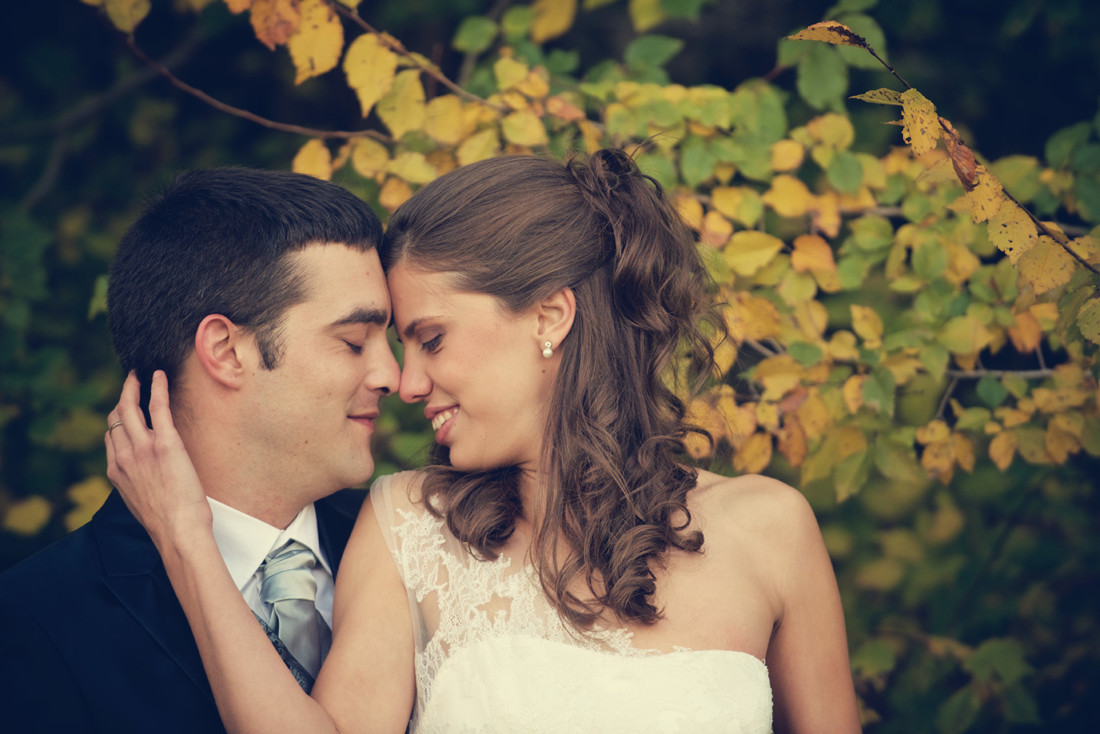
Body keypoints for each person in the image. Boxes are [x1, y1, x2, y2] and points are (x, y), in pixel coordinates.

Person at [105, 150, 861, 732]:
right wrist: (186, 537)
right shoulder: (406, 523)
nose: (405, 382)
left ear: (549, 317)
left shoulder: (772, 530)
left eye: (430, 339)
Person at [0, 167, 400, 733]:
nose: (392, 375)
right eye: (354, 341)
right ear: (226, 351)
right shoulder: (38, 620)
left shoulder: (420, 550)